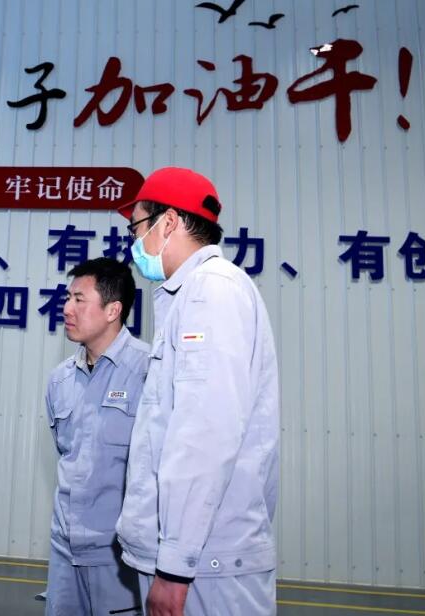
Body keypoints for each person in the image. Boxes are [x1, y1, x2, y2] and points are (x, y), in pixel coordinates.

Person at [115, 167, 280, 616]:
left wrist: (174, 567)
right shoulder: (191, 294)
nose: (134, 243)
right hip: (200, 558)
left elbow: (203, 435)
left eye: (136, 227)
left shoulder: (211, 292)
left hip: (203, 566)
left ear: (168, 223)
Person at [44, 257, 150, 615]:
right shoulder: (60, 380)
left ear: (112, 310)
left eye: (79, 299)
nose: (66, 308)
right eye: (67, 298)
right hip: (65, 552)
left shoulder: (148, 371)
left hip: (120, 557)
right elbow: (67, 455)